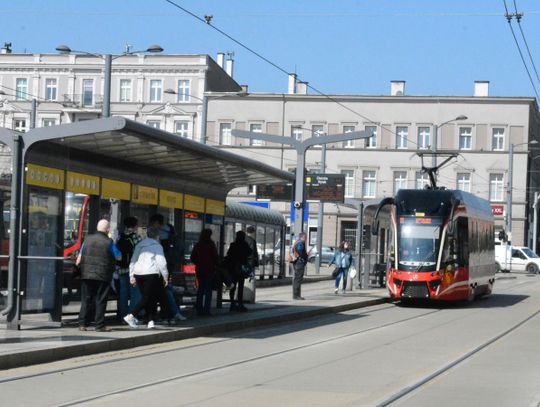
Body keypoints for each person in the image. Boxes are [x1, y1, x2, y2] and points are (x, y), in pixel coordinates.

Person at [77, 219, 121, 332]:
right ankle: (99, 325)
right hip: (103, 275)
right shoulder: (109, 242)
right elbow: (118, 256)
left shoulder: (87, 240)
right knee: (100, 300)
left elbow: (79, 259)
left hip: (86, 274)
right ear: (107, 230)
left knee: (86, 299)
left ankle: (82, 324)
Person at [124, 226, 170, 329]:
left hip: (138, 273)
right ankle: (131, 315)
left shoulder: (139, 245)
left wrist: (132, 275)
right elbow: (162, 263)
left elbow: (133, 260)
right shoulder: (157, 246)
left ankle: (150, 321)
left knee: (149, 297)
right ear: (157, 236)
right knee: (147, 297)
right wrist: (165, 277)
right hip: (151, 273)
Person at [115, 216, 142, 319]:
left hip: (121, 268)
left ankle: (123, 315)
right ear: (135, 225)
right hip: (133, 269)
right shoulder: (136, 237)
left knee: (123, 293)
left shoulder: (120, 237)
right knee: (135, 293)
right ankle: (131, 316)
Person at [190, 229, 219, 316]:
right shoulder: (211, 244)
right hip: (209, 270)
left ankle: (199, 309)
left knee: (201, 290)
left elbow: (192, 257)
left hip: (199, 270)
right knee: (208, 291)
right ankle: (206, 310)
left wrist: (198, 263)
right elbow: (215, 257)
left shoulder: (198, 245)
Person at [226, 231, 252, 312]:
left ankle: (232, 304)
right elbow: (250, 252)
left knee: (232, 286)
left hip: (233, 268)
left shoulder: (233, 245)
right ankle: (240, 304)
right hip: (241, 268)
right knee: (240, 286)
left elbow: (228, 254)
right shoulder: (244, 245)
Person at [291, 232, 309, 300]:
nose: (306, 239)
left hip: (297, 262)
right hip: (299, 263)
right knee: (298, 279)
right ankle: (296, 295)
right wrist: (305, 257)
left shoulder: (297, 242)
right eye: (305, 238)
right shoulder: (300, 243)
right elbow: (300, 252)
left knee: (297, 279)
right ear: (302, 237)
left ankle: (296, 295)